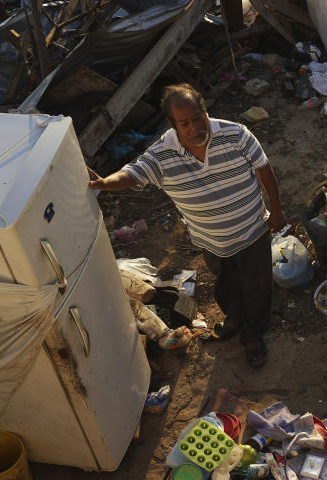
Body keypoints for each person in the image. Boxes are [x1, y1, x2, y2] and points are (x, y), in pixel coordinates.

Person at [89, 84, 286, 367]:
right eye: (185, 123)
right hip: (211, 240)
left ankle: (254, 333)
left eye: (198, 117)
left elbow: (264, 169)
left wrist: (277, 210)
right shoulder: (161, 155)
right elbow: (133, 174)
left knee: (257, 285)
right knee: (226, 283)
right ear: (172, 125)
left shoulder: (236, 134)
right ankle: (234, 318)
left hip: (253, 230)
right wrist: (105, 183)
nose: (195, 127)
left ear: (205, 111)